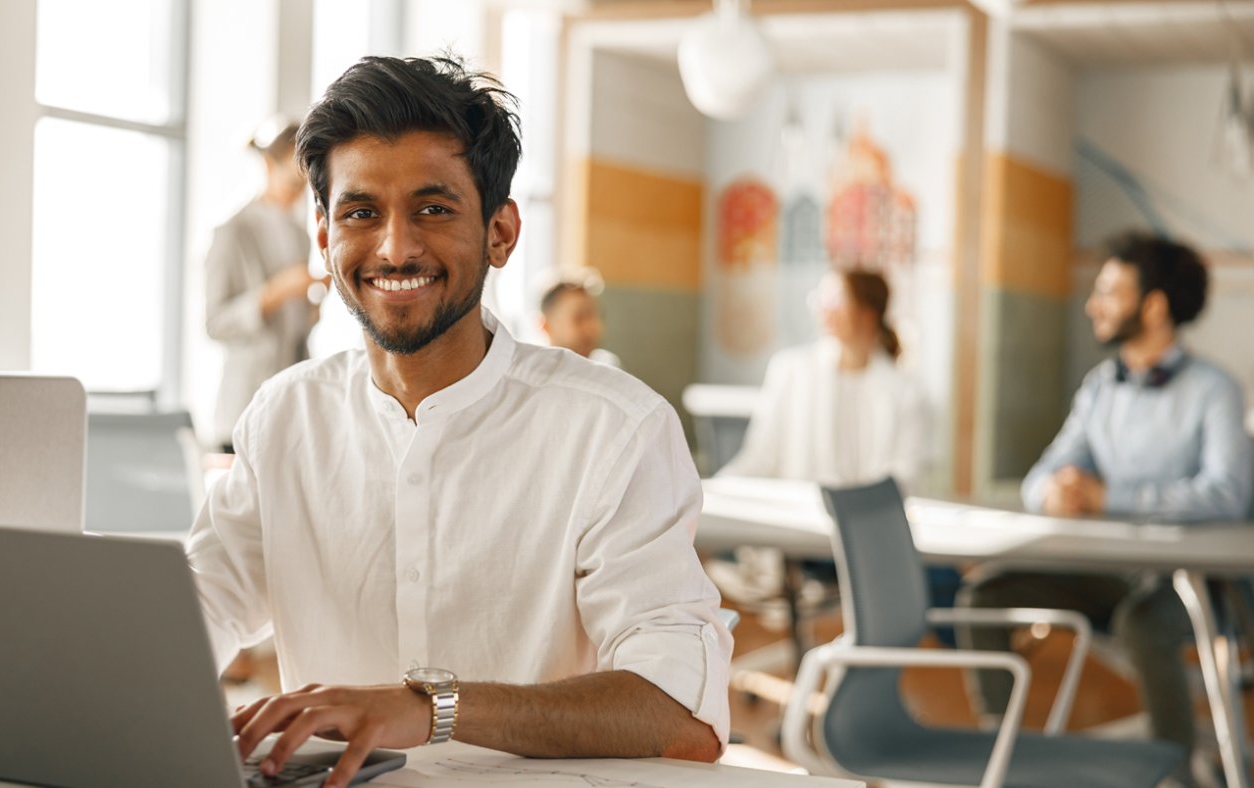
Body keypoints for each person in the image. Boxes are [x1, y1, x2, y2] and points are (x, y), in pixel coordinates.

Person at [187, 56, 730, 788]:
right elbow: (189, 614)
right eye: (360, 213)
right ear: (323, 236)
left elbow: (681, 715)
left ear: (500, 233)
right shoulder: (283, 418)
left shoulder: (615, 429)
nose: (395, 247)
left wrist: (432, 708)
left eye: (433, 209)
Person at [959, 230, 1253, 786]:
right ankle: (1003, 757)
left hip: (1205, 586)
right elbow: (1041, 476)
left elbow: (1226, 495)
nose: (1094, 305)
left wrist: (1105, 498)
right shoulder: (1100, 388)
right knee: (986, 594)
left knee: (1143, 624)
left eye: (1110, 292)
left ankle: (1174, 774)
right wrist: (1053, 491)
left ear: (1155, 304)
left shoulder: (1216, 390)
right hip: (1113, 575)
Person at [720, 268, 928, 488]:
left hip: (868, 517)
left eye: (836, 300)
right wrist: (714, 492)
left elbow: (906, 471)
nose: (824, 309)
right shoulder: (791, 370)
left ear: (868, 313)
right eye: (821, 299)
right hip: (802, 513)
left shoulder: (905, 391)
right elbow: (759, 456)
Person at [204, 117, 327, 451]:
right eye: (291, 180)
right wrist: (275, 292)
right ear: (268, 166)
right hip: (242, 410)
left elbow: (292, 334)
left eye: (304, 183)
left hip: (289, 413)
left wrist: (313, 308)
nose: (297, 191)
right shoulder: (232, 232)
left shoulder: (300, 235)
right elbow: (215, 324)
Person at [539, 274, 622, 368]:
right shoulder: (530, 375)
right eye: (579, 317)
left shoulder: (608, 367)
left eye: (597, 317)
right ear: (546, 326)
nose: (592, 328)